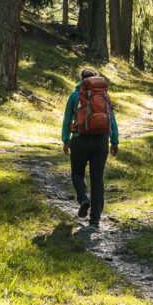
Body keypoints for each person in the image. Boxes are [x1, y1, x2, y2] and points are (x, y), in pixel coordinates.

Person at [61, 67, 119, 227]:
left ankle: (84, 199)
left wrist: (66, 140)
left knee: (77, 174)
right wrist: (114, 141)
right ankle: (95, 219)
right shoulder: (104, 96)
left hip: (80, 140)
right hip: (101, 141)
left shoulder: (75, 96)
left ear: (81, 79)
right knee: (97, 179)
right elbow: (112, 121)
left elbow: (67, 121)